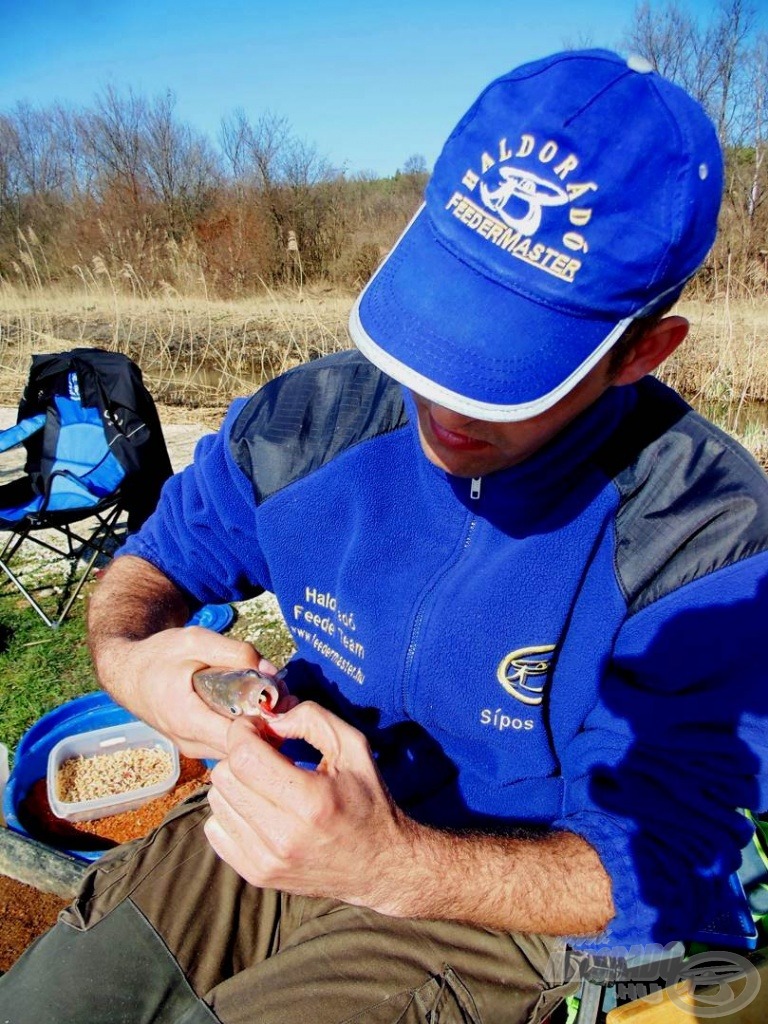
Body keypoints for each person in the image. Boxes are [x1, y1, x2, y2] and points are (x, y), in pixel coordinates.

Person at [3, 48, 768, 1024]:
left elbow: (668, 862)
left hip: (499, 890)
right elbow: (148, 566)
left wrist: (390, 862)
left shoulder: (708, 533)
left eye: (509, 361)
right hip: (283, 803)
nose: (442, 396)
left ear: (642, 353)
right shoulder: (305, 423)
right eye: (448, 313)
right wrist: (133, 662)